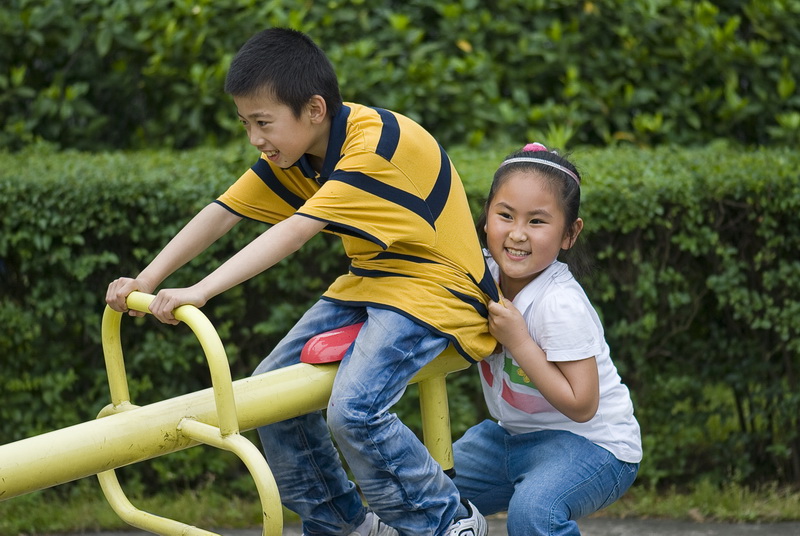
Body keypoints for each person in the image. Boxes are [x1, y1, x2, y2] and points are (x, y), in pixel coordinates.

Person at [105, 27, 495, 536]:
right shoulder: (298, 153)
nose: (254, 139)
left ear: (313, 109)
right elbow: (223, 212)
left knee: (355, 411)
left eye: (263, 123)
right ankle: (344, 527)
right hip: (371, 283)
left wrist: (199, 291)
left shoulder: (374, 146)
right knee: (266, 397)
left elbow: (292, 233)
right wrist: (147, 278)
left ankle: (446, 522)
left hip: (441, 291)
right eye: (245, 123)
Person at [451, 143, 642, 536]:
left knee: (534, 513)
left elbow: (583, 404)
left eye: (537, 222)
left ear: (569, 234)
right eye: (505, 215)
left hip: (595, 445)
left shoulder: (559, 304)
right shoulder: (479, 276)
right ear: (486, 218)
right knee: (425, 491)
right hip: (512, 437)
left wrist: (519, 341)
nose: (517, 233)